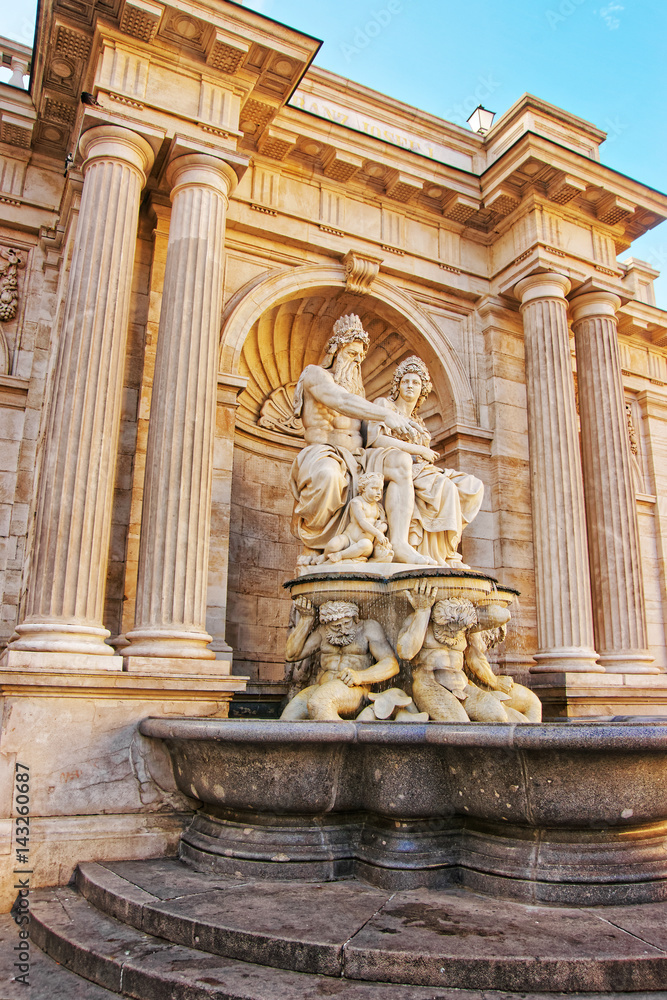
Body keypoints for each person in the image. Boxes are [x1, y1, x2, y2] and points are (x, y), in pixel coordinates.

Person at [289, 314, 434, 566]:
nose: (356, 361)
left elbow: (372, 437)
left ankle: (400, 543)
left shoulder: (358, 390)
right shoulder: (315, 375)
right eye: (351, 353)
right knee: (328, 475)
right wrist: (387, 414)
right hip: (324, 451)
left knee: (400, 462)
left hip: (360, 457)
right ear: (335, 349)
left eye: (360, 357)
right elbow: (341, 402)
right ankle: (316, 544)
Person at [366, 356, 484, 567]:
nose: (410, 386)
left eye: (416, 382)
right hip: (386, 462)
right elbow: (376, 439)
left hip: (420, 468)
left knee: (471, 486)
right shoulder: (384, 405)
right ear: (398, 385)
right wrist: (418, 448)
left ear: (423, 390)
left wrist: (422, 455)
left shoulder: (419, 422)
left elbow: (423, 457)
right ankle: (432, 553)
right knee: (444, 487)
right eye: (406, 381)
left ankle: (442, 554)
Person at [396, 581, 538, 723]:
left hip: (463, 686)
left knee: (497, 716)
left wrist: (471, 610)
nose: (453, 633)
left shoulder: (465, 624)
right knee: (460, 724)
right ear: (438, 619)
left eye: (458, 629)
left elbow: (502, 615)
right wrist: (423, 611)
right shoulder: (421, 621)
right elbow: (406, 652)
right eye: (448, 627)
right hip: (429, 685)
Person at [281, 597, 399, 721]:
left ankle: (348, 739)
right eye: (336, 626)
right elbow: (291, 655)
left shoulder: (368, 628)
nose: (343, 630)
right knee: (288, 717)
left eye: (347, 623)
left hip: (355, 689)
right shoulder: (322, 631)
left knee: (320, 703)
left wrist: (360, 676)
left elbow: (391, 664)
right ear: (326, 624)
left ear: (355, 618)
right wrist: (306, 619)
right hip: (321, 687)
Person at [318, 472, 392, 564]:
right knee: (333, 545)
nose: (378, 492)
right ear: (364, 488)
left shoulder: (379, 507)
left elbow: (385, 523)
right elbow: (362, 521)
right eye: (374, 488)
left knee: (366, 545)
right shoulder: (357, 502)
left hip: (364, 542)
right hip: (348, 538)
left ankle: (340, 555)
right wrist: (377, 534)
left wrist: (381, 528)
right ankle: (324, 556)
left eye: (380, 490)